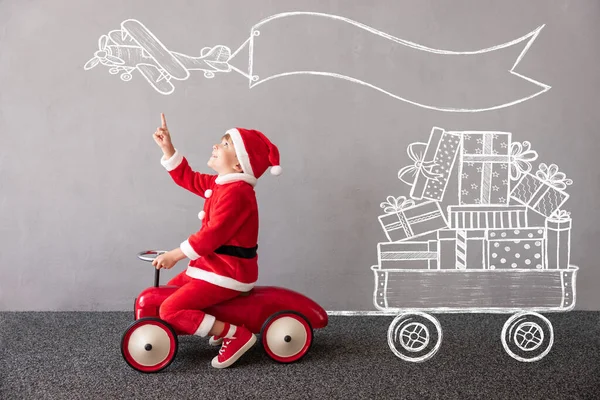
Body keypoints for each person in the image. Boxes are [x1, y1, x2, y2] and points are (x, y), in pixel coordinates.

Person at [151, 113, 282, 368]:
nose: (216, 145)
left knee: (170, 310)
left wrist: (175, 255)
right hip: (210, 268)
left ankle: (236, 335)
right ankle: (219, 326)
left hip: (228, 272)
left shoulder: (238, 194)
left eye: (225, 145)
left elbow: (212, 235)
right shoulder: (222, 185)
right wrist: (168, 149)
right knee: (171, 295)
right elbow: (188, 178)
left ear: (239, 165)